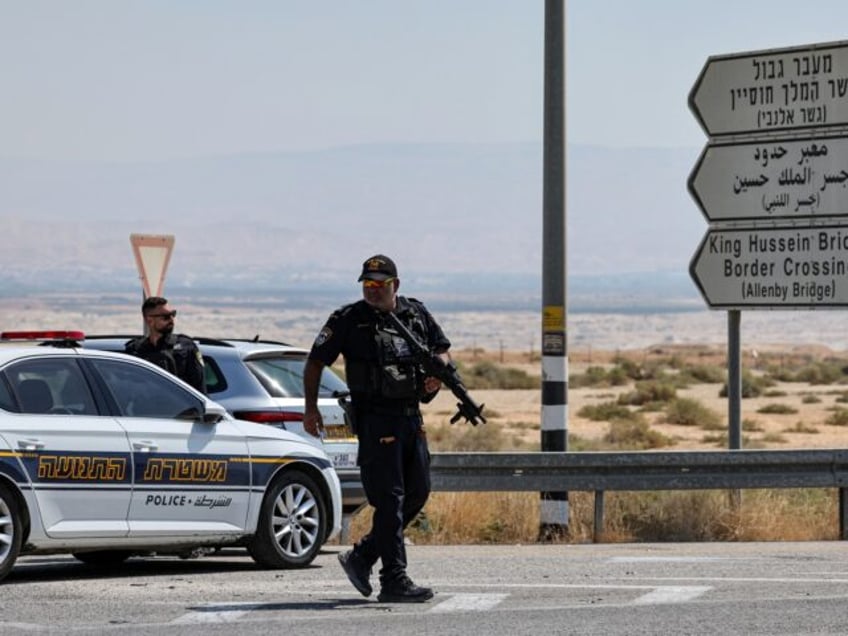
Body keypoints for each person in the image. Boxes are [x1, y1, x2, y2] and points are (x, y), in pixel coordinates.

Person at [303, 254, 451, 603]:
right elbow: (314, 363)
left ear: (395, 286)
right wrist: (310, 409)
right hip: (375, 420)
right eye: (367, 285)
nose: (372, 291)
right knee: (390, 500)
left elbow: (443, 351)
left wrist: (437, 375)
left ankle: (363, 555)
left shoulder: (415, 313)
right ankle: (393, 580)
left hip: (411, 418)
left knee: (417, 492)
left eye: (379, 285)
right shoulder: (348, 320)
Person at [125, 296, 206, 394]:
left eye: (173, 314)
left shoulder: (186, 346)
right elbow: (129, 388)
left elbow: (200, 388)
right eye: (166, 317)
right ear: (149, 320)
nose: (171, 320)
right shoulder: (135, 350)